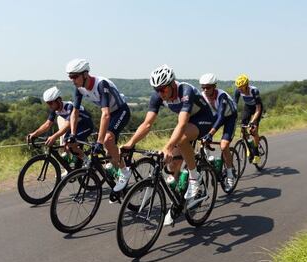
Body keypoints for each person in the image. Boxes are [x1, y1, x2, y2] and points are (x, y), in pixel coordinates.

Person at [121, 64, 215, 224]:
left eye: (163, 89)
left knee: (182, 138)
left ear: (172, 84)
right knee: (172, 167)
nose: (160, 93)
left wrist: (168, 147)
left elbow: (182, 124)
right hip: (186, 124)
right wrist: (130, 143)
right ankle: (178, 201)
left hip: (203, 119)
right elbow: (147, 124)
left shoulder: (186, 91)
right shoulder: (158, 96)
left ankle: (195, 178)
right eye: (156, 90)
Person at [65, 58, 131, 193]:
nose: (72, 80)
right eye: (70, 77)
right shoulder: (79, 88)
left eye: (74, 76)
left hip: (120, 111)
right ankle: (115, 170)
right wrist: (72, 133)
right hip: (109, 115)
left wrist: (99, 142)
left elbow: (105, 114)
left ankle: (125, 171)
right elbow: (75, 112)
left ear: (85, 74)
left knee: (106, 140)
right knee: (109, 152)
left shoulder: (101, 84)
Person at [27, 86, 94, 164]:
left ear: (58, 100)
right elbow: (47, 124)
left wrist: (54, 137)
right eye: (47, 103)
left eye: (51, 103)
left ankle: (88, 162)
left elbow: (67, 124)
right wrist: (34, 134)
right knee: (65, 145)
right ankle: (73, 168)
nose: (49, 106)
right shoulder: (55, 110)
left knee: (70, 145)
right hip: (76, 126)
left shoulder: (69, 106)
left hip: (86, 125)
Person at [199, 73, 238, 191]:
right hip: (217, 116)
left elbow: (221, 117)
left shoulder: (222, 96)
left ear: (214, 86)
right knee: (202, 139)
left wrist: (211, 134)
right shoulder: (203, 96)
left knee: (224, 145)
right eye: (203, 87)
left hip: (229, 117)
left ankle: (230, 174)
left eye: (208, 87)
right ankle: (210, 162)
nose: (205, 90)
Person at [234, 74, 263, 164]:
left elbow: (258, 109)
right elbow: (234, 105)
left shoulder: (254, 91)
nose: (240, 89)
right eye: (239, 87)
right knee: (243, 129)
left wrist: (252, 121)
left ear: (247, 85)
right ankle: (249, 147)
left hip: (257, 108)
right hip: (248, 107)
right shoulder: (238, 91)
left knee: (253, 130)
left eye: (242, 87)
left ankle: (257, 154)